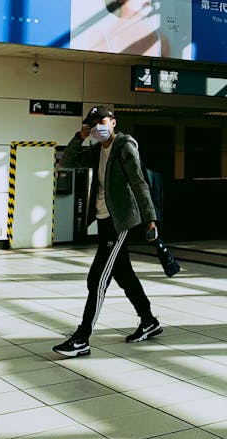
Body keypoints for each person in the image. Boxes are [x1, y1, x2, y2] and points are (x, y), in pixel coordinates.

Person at [53, 106, 161, 357]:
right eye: (93, 124)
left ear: (113, 122)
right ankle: (149, 321)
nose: (98, 127)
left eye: (102, 121)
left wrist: (150, 218)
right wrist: (78, 138)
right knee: (124, 275)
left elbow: (138, 181)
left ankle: (82, 338)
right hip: (103, 220)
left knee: (97, 278)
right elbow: (67, 161)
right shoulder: (96, 151)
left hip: (119, 221)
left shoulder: (125, 147)